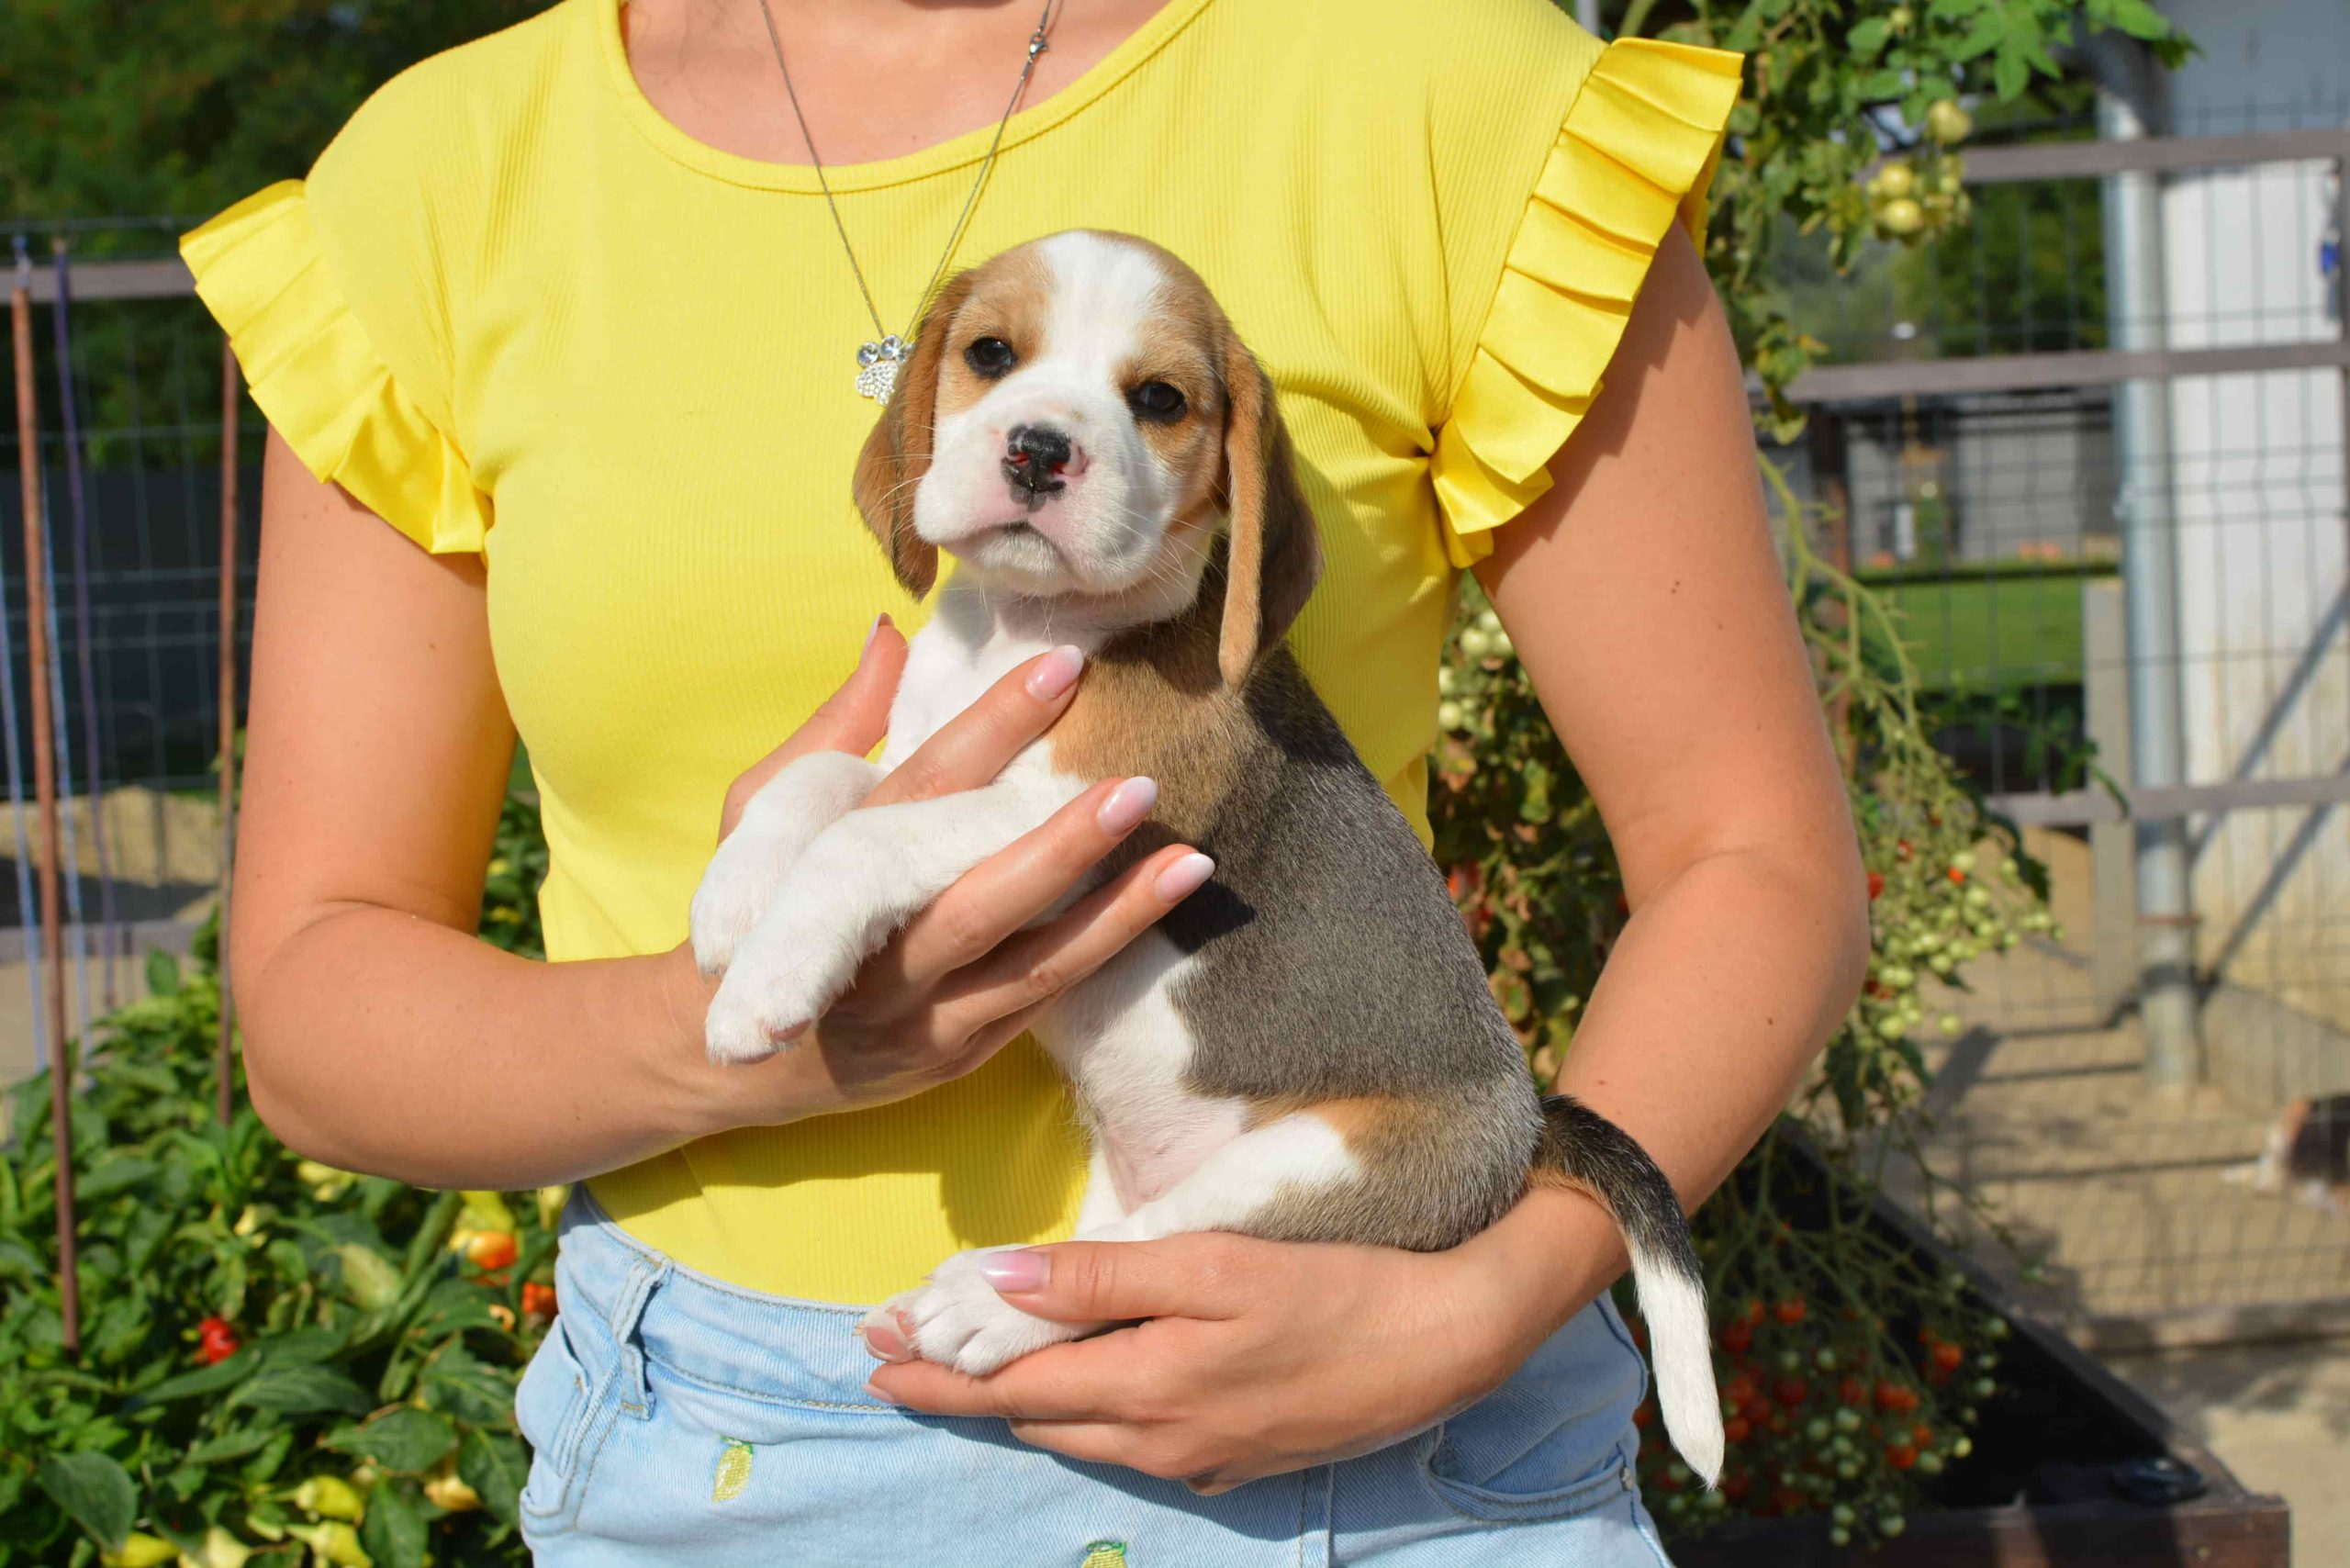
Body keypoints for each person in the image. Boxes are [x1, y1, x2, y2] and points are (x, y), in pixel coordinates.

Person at [182, 0, 1868, 1560]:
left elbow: (1755, 857)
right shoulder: (441, 179)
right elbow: (321, 1010)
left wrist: (1491, 1299)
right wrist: (744, 1040)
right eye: (991, 367)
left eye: (1152, 401)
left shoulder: (1442, 93)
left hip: (1381, 1452)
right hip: (727, 1461)